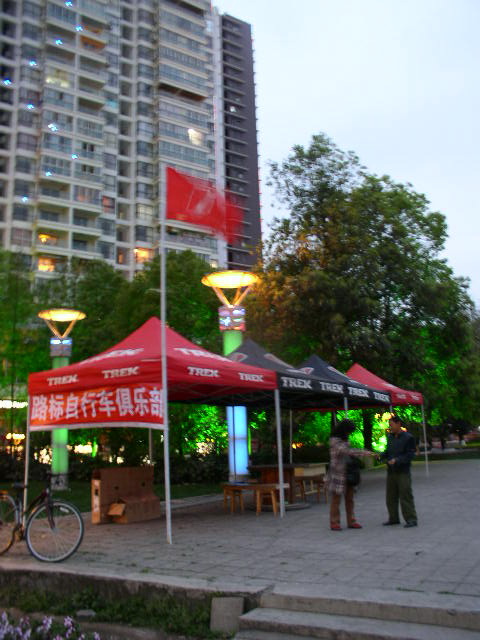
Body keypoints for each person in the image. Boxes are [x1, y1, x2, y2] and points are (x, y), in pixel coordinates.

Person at [327, 419, 374, 531]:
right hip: (338, 473)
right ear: (344, 430)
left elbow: (349, 452)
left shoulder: (344, 439)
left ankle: (351, 521)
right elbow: (347, 451)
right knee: (336, 499)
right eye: (349, 431)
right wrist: (364, 452)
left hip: (349, 472)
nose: (349, 434)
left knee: (350, 498)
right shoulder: (334, 441)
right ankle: (334, 522)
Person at [381, 414, 418, 528]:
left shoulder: (408, 438)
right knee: (390, 496)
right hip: (391, 471)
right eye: (389, 425)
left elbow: (410, 454)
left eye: (391, 424)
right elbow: (388, 451)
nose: (390, 427)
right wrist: (381, 455)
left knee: (405, 495)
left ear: (398, 424)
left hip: (403, 471)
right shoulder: (390, 437)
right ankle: (393, 518)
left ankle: (411, 519)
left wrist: (397, 460)